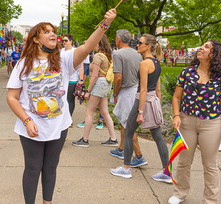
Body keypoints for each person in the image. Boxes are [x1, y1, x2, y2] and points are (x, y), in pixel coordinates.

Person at [6, 9, 117, 204]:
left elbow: (88, 46)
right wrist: (27, 119)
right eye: (46, 31)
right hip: (31, 126)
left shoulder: (64, 59)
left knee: (50, 168)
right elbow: (12, 97)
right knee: (32, 169)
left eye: (53, 31)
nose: (52, 34)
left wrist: (105, 23)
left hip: (59, 125)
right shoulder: (23, 64)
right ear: (35, 39)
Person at [167, 40, 221, 204]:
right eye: (202, 46)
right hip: (186, 122)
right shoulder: (187, 72)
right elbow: (176, 97)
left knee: (210, 164)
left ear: (214, 54)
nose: (200, 48)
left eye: (206, 47)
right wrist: (176, 116)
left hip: (211, 124)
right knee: (183, 161)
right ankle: (180, 193)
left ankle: (210, 200)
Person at [110, 34, 170, 183]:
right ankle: (167, 172)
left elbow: (142, 90)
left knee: (129, 132)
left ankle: (126, 168)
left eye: (140, 43)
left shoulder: (144, 64)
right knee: (158, 137)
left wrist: (140, 112)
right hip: (153, 101)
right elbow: (158, 89)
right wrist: (157, 106)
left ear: (148, 46)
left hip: (142, 101)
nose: (137, 44)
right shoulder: (156, 62)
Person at [72, 35, 118, 148]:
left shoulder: (98, 56)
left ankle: (85, 139)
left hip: (98, 84)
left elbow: (94, 76)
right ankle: (113, 138)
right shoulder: (107, 55)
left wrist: (88, 90)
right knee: (105, 112)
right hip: (106, 84)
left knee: (89, 112)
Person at [109, 29, 146, 167]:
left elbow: (118, 77)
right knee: (125, 122)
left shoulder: (117, 54)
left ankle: (139, 156)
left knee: (128, 124)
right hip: (135, 89)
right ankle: (122, 149)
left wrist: (115, 93)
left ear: (118, 39)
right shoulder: (138, 54)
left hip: (125, 91)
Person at [62, 34, 79, 119]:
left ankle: (69, 118)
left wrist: (81, 79)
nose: (64, 42)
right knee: (63, 99)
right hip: (62, 79)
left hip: (72, 79)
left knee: (70, 99)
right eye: (63, 41)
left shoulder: (75, 51)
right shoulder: (60, 51)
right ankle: (63, 118)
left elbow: (81, 66)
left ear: (71, 41)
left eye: (66, 40)